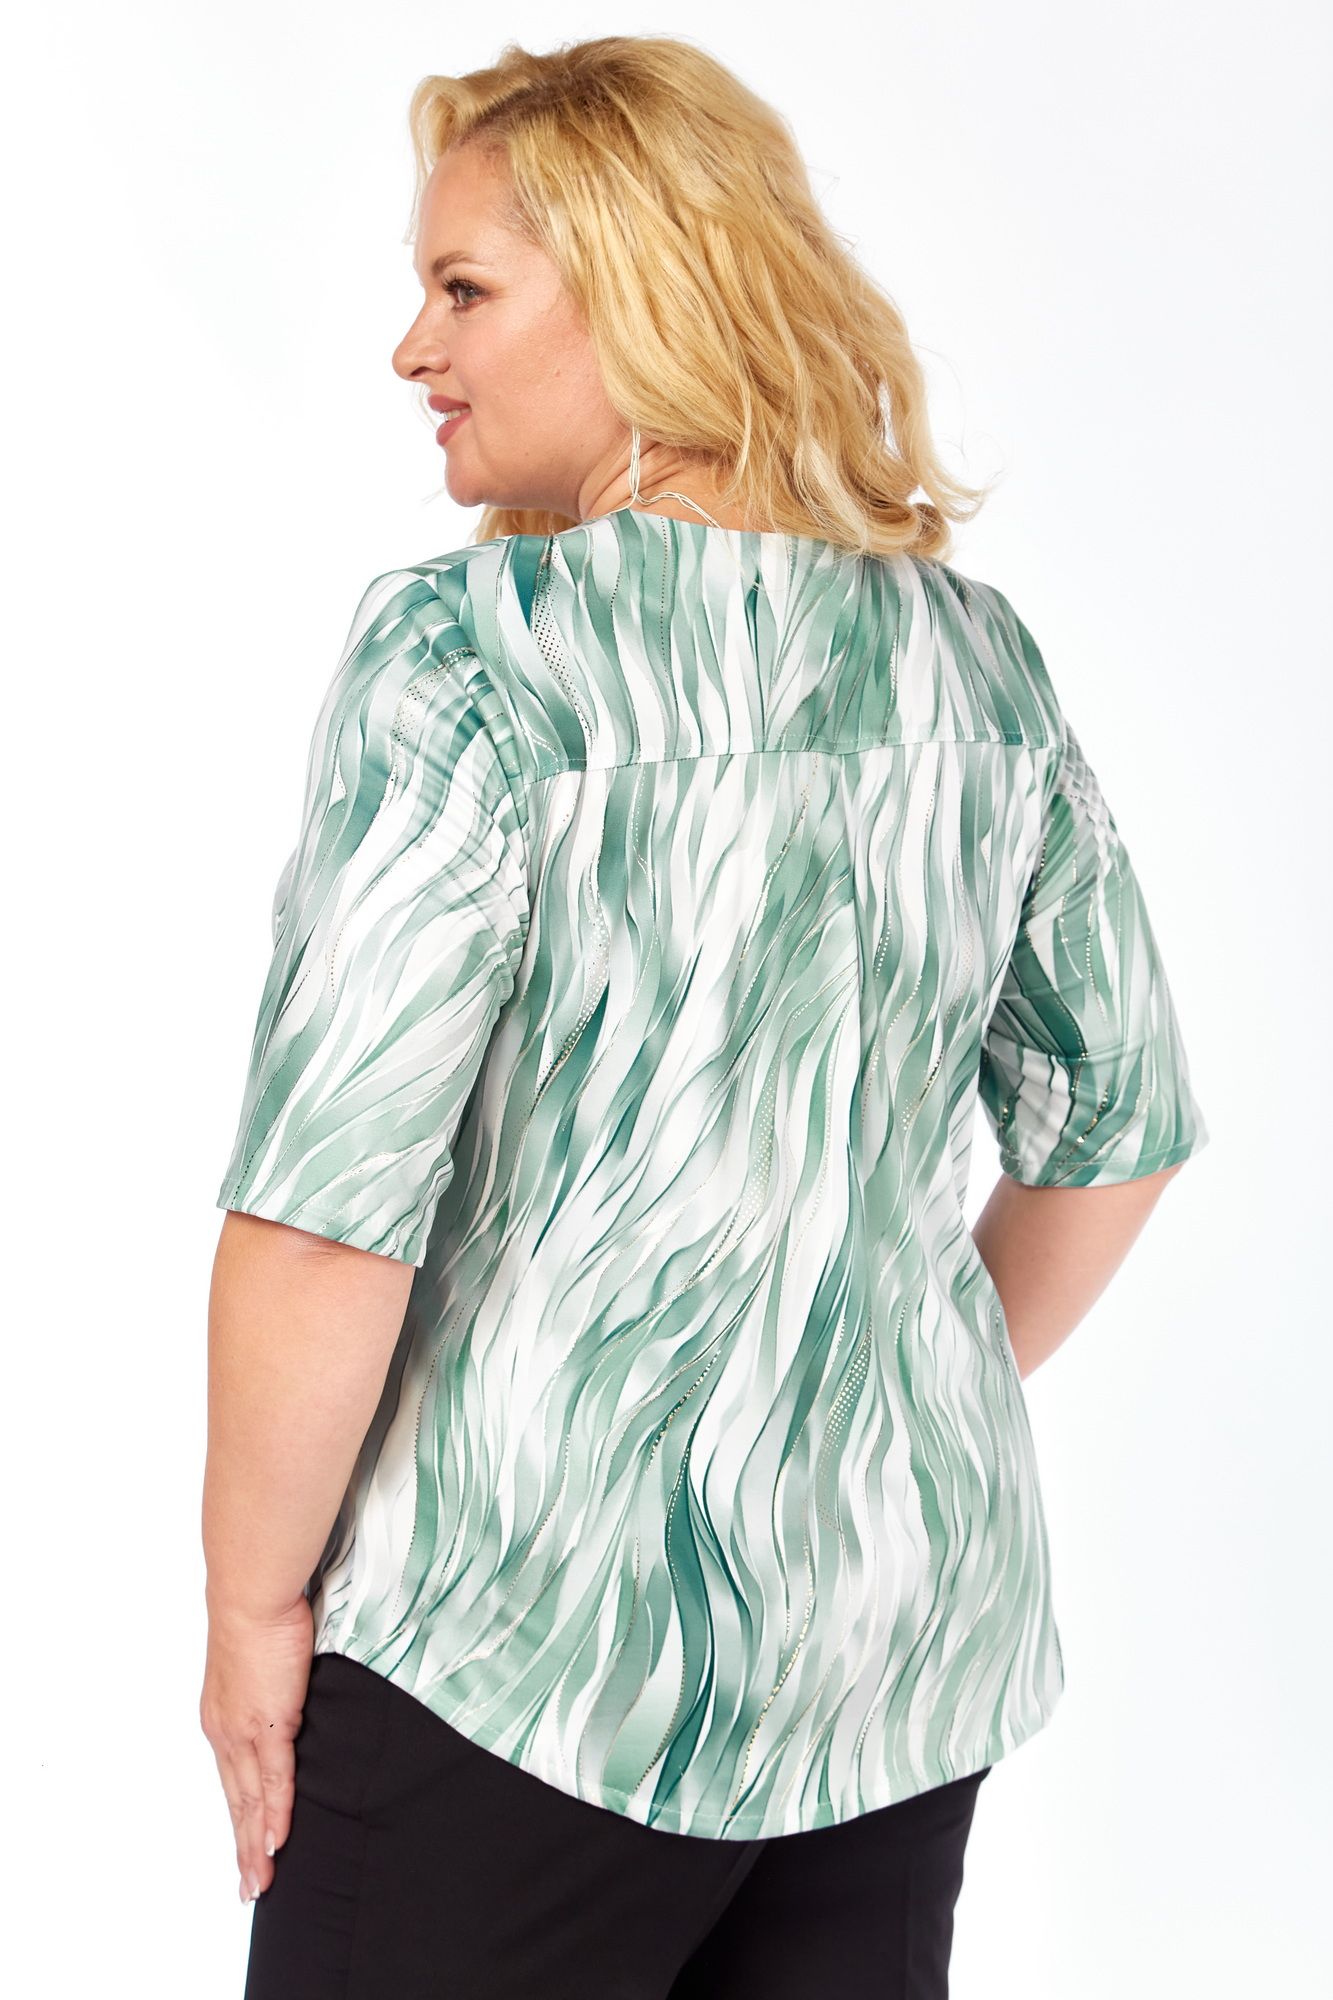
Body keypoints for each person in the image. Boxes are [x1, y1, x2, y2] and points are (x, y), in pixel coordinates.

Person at [200, 33, 1210, 2000]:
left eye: (463, 288)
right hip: (890, 1644)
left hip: (524, 1645)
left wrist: (250, 1608)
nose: (413, 349)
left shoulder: (472, 659)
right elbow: (1118, 1122)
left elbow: (327, 1217)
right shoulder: (968, 661)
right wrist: (857, 1388)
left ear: (644, 288)